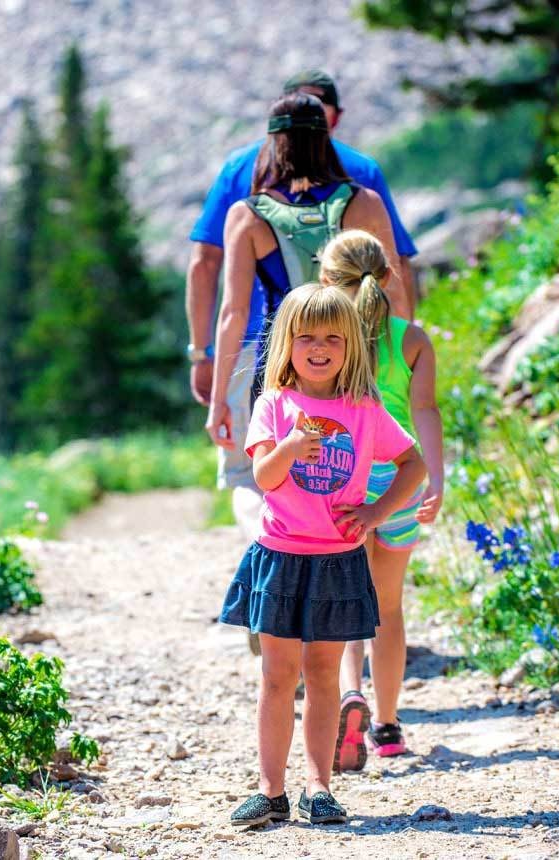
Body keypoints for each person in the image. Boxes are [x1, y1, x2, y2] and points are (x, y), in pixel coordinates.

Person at [218, 282, 426, 827]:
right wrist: (289, 446)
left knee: (324, 674)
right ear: (286, 342)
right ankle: (270, 790)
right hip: (281, 556)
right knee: (277, 676)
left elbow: (414, 464)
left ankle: (318, 787)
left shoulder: (363, 409)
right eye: (306, 335)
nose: (319, 346)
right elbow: (265, 476)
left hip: (338, 559)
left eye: (333, 337)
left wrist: (376, 514)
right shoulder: (274, 404)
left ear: (351, 346)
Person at [188, 70, 417, 538]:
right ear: (327, 137)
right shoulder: (363, 201)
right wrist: (400, 362)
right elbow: (395, 289)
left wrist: (218, 401)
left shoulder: (247, 216)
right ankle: (335, 554)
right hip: (353, 359)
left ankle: (273, 551)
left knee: (252, 478)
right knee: (344, 469)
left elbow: (232, 312)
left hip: (275, 363)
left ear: (274, 144)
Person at [318, 229, 445, 771]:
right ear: (389, 276)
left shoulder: (324, 343)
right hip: (399, 483)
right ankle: (387, 726)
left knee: (346, 604)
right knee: (388, 609)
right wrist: (434, 479)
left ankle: (350, 693)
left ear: (326, 281)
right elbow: (426, 414)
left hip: (343, 484)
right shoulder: (411, 339)